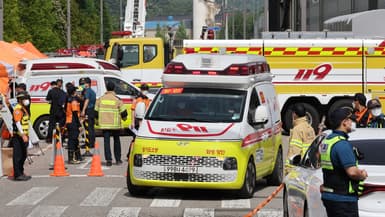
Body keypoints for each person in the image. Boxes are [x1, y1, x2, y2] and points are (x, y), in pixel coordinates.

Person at [320, 108, 368, 217]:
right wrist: (362, 175)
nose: (352, 123)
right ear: (344, 122)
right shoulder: (342, 145)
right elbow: (352, 172)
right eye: (350, 120)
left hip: (330, 196)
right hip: (343, 200)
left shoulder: (327, 141)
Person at [95, 82, 127, 166]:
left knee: (106, 142)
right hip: (115, 125)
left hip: (104, 125)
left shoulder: (100, 99)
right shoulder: (117, 99)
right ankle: (118, 159)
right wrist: (124, 119)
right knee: (116, 141)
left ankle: (108, 160)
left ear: (107, 89)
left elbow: (95, 112)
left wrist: (96, 121)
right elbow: (124, 113)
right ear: (114, 89)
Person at [285, 103, 315, 175]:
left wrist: (288, 171)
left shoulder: (297, 130)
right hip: (309, 166)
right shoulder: (310, 128)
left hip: (298, 170)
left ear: (294, 114)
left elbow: (294, 152)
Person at [11, 91, 32, 181]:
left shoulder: (23, 108)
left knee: (23, 155)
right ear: (20, 100)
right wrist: (23, 134)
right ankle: (18, 174)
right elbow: (17, 123)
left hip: (24, 135)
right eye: (24, 99)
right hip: (19, 136)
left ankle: (21, 172)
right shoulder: (18, 109)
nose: (26, 100)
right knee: (18, 155)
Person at [65, 85, 83, 164]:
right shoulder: (74, 101)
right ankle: (71, 158)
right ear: (74, 92)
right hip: (73, 122)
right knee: (73, 140)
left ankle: (78, 156)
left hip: (69, 121)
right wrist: (79, 125)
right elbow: (75, 113)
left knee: (74, 139)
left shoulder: (67, 99)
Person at [80, 77, 96, 149]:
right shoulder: (92, 91)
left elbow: (87, 100)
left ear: (88, 84)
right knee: (91, 127)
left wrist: (83, 110)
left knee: (88, 127)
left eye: (83, 83)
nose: (82, 85)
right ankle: (91, 142)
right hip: (92, 110)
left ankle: (89, 143)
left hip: (88, 110)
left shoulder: (87, 91)